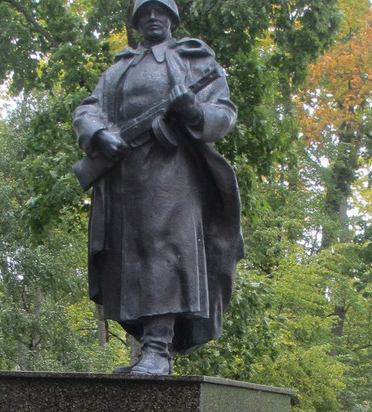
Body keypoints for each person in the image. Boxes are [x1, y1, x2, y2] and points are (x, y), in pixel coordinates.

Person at [73, 0, 244, 375]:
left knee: (163, 251)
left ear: (171, 17)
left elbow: (224, 111)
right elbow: (87, 109)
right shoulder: (119, 69)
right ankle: (147, 350)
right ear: (136, 21)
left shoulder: (194, 60)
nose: (153, 17)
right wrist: (100, 134)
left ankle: (158, 347)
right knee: (123, 258)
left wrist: (193, 112)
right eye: (145, 11)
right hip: (122, 178)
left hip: (172, 174)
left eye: (160, 10)